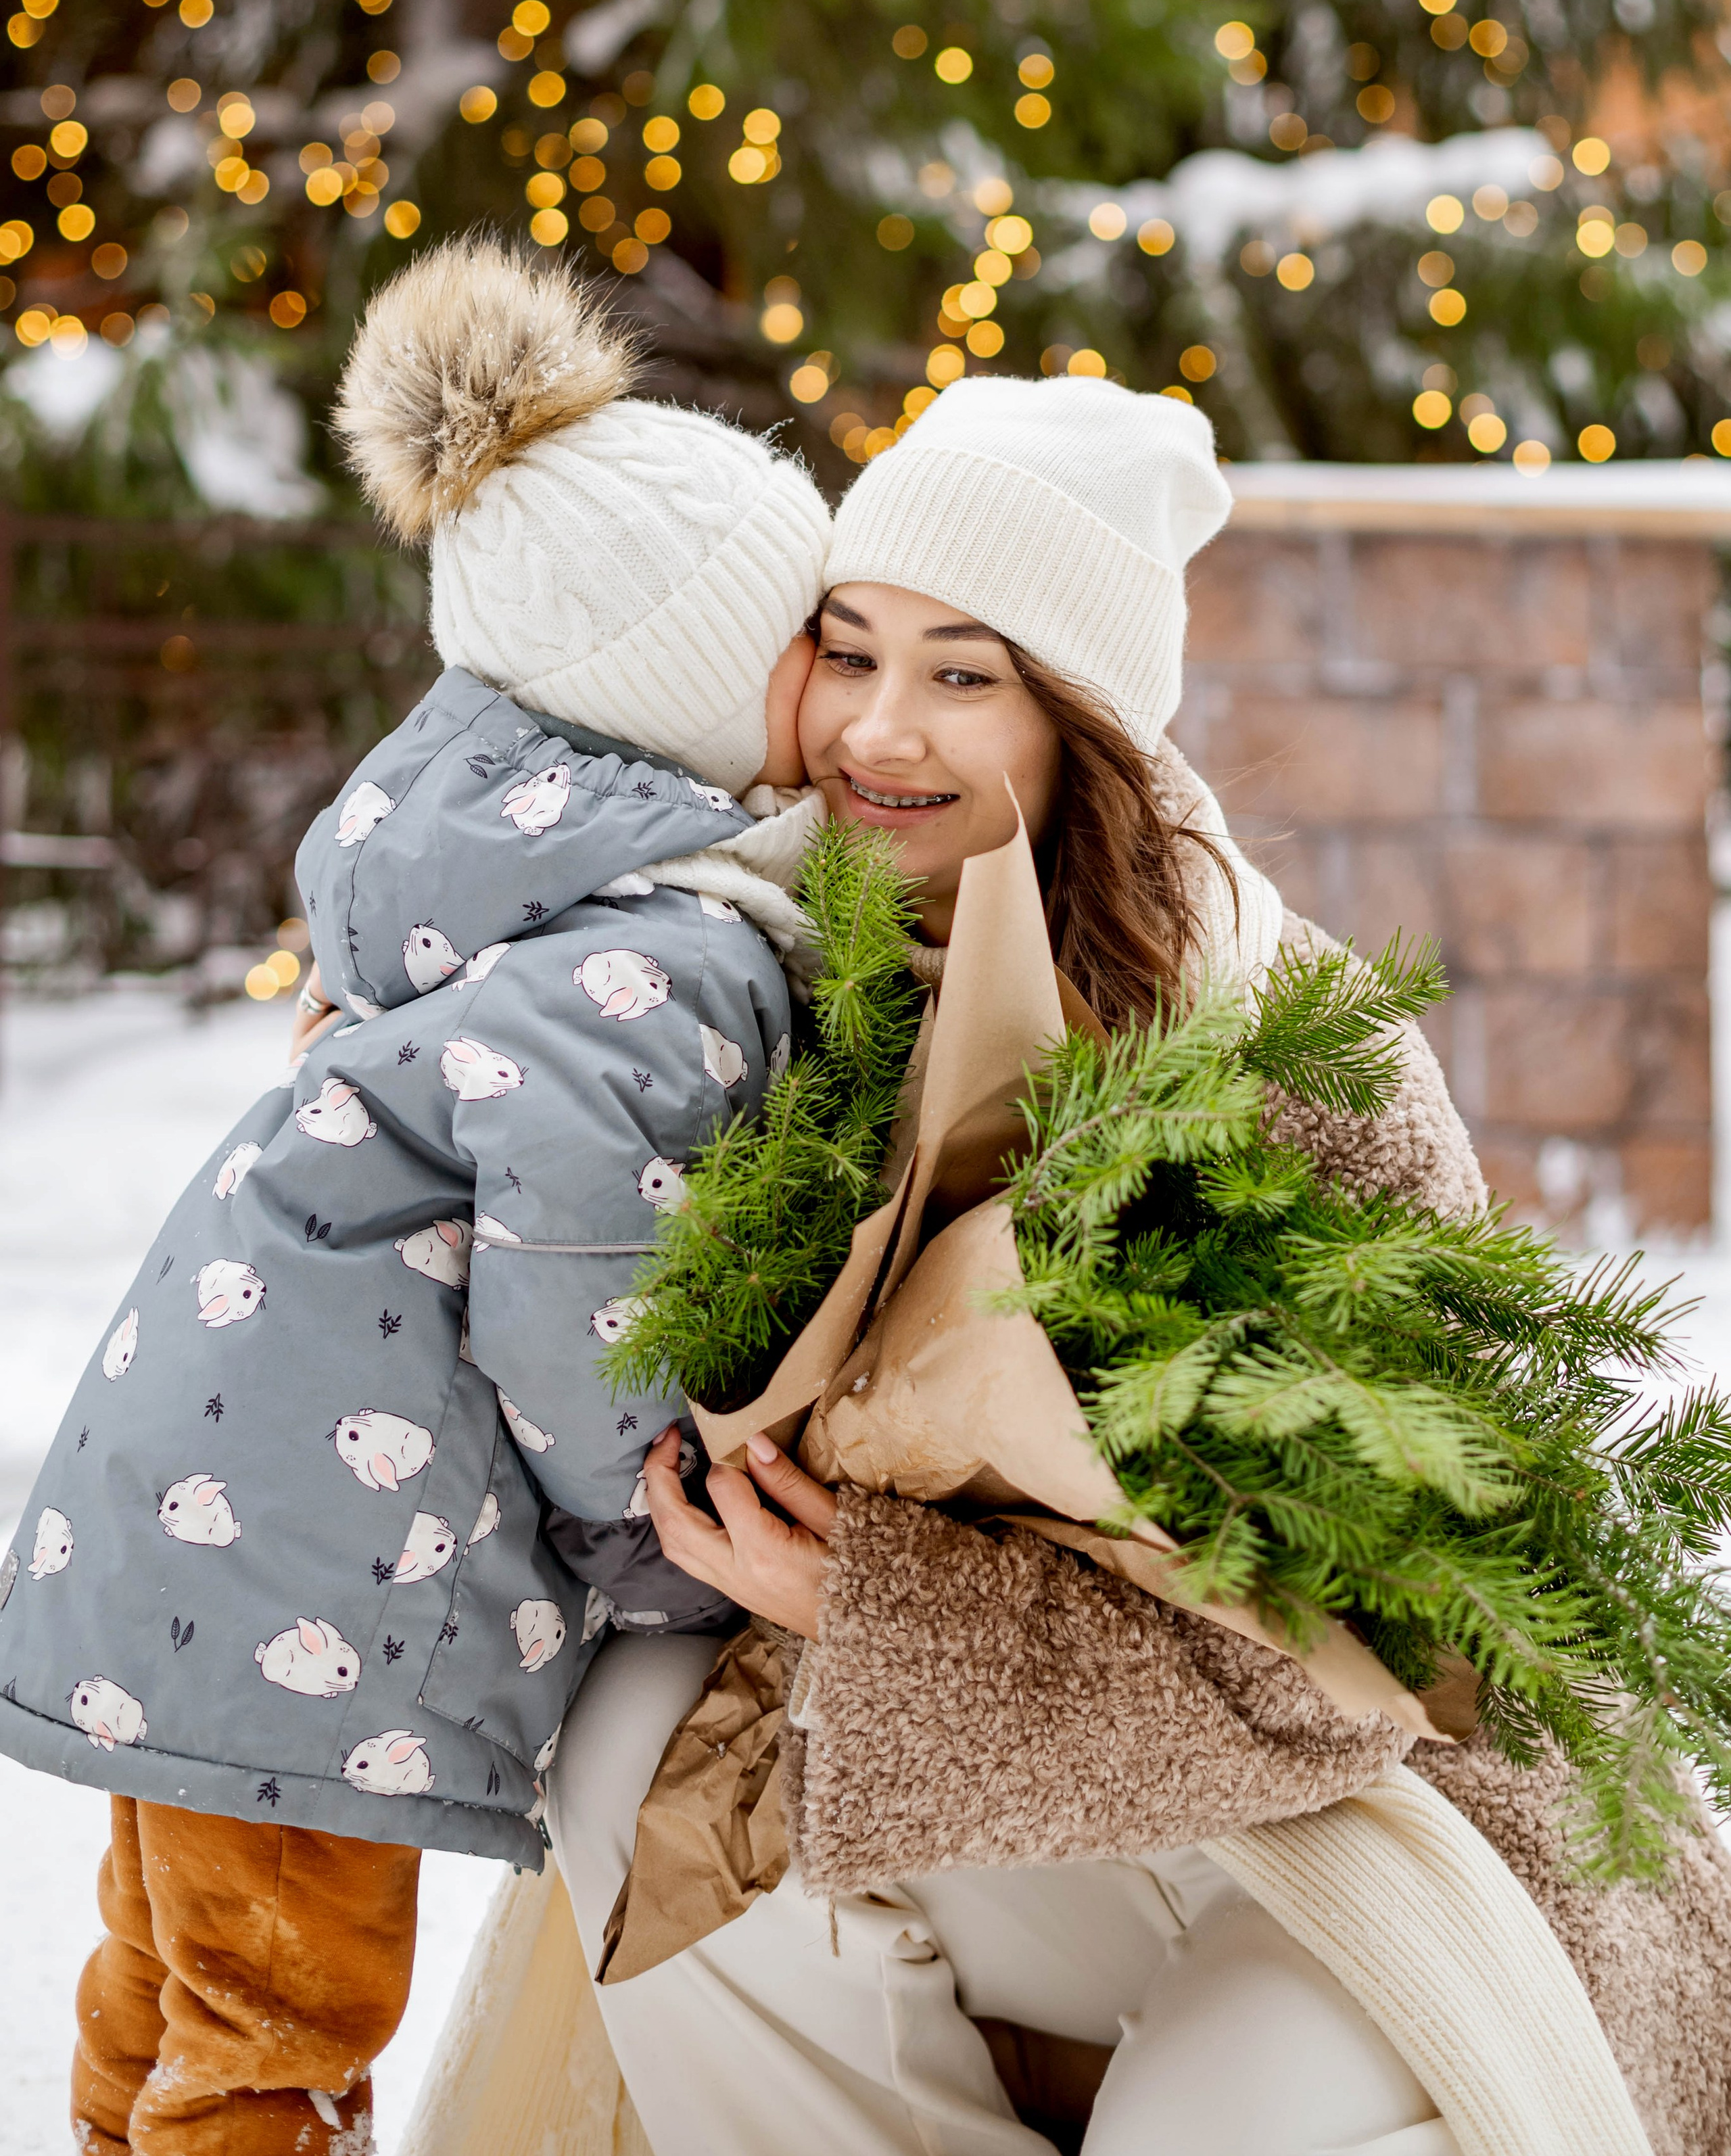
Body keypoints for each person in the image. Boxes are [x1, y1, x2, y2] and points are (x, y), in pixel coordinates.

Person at [536, 377, 1718, 2156]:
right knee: (640, 1752)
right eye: (848, 651)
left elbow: (1375, 1644)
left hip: (1391, 1807)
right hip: (1050, 1785)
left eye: (963, 673)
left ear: (1080, 717)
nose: (876, 725)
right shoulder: (763, 962)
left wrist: (884, 1603)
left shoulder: (1278, 1050)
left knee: (1209, 2124)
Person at [0, 240, 830, 2155]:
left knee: (166, 1992)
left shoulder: (483, 896)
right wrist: (653, 1524)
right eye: (812, 635)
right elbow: (578, 1272)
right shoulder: (665, 954)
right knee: (277, 2026)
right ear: (690, 682)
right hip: (317, 1586)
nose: (847, 683)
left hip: (206, 1532)